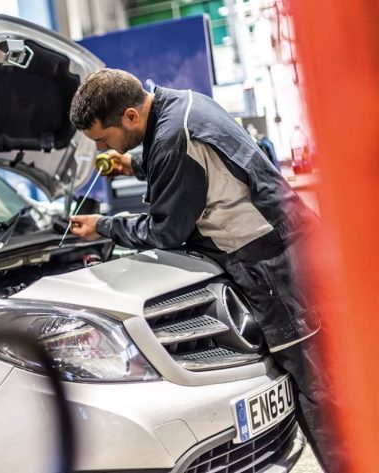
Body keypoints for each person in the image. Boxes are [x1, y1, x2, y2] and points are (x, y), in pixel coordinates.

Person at [68, 68, 337, 471]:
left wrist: (102, 226)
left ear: (129, 116)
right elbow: (180, 158)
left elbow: (165, 231)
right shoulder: (183, 103)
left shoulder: (174, 139)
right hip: (293, 247)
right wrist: (132, 165)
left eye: (104, 140)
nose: (107, 147)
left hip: (272, 268)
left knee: (318, 389)